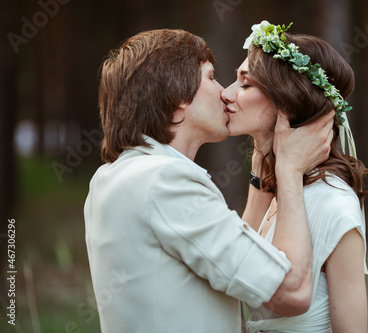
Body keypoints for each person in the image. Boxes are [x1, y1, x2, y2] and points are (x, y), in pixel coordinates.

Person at [84, 28, 335, 332]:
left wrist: (260, 167)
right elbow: (291, 292)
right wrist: (290, 171)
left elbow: (240, 263)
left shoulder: (114, 176)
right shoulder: (166, 182)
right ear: (178, 96)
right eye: (212, 77)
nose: (225, 92)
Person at [221, 21, 368, 332]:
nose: (226, 93)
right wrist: (268, 159)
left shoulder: (333, 203)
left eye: (245, 85)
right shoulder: (278, 195)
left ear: (286, 100)